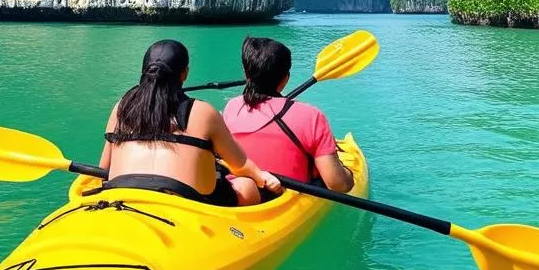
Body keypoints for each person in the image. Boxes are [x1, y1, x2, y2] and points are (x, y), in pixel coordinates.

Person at [99, 39, 281, 207]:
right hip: (186, 203)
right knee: (246, 185)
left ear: (144, 70)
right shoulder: (203, 112)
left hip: (121, 191)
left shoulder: (121, 107)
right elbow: (240, 165)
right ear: (184, 73)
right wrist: (261, 177)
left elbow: (103, 168)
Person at [222, 37, 355, 192]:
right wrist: (350, 173)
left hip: (239, 193)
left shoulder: (232, 107)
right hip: (285, 200)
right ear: (286, 78)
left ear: (246, 74)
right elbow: (337, 185)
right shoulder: (311, 117)